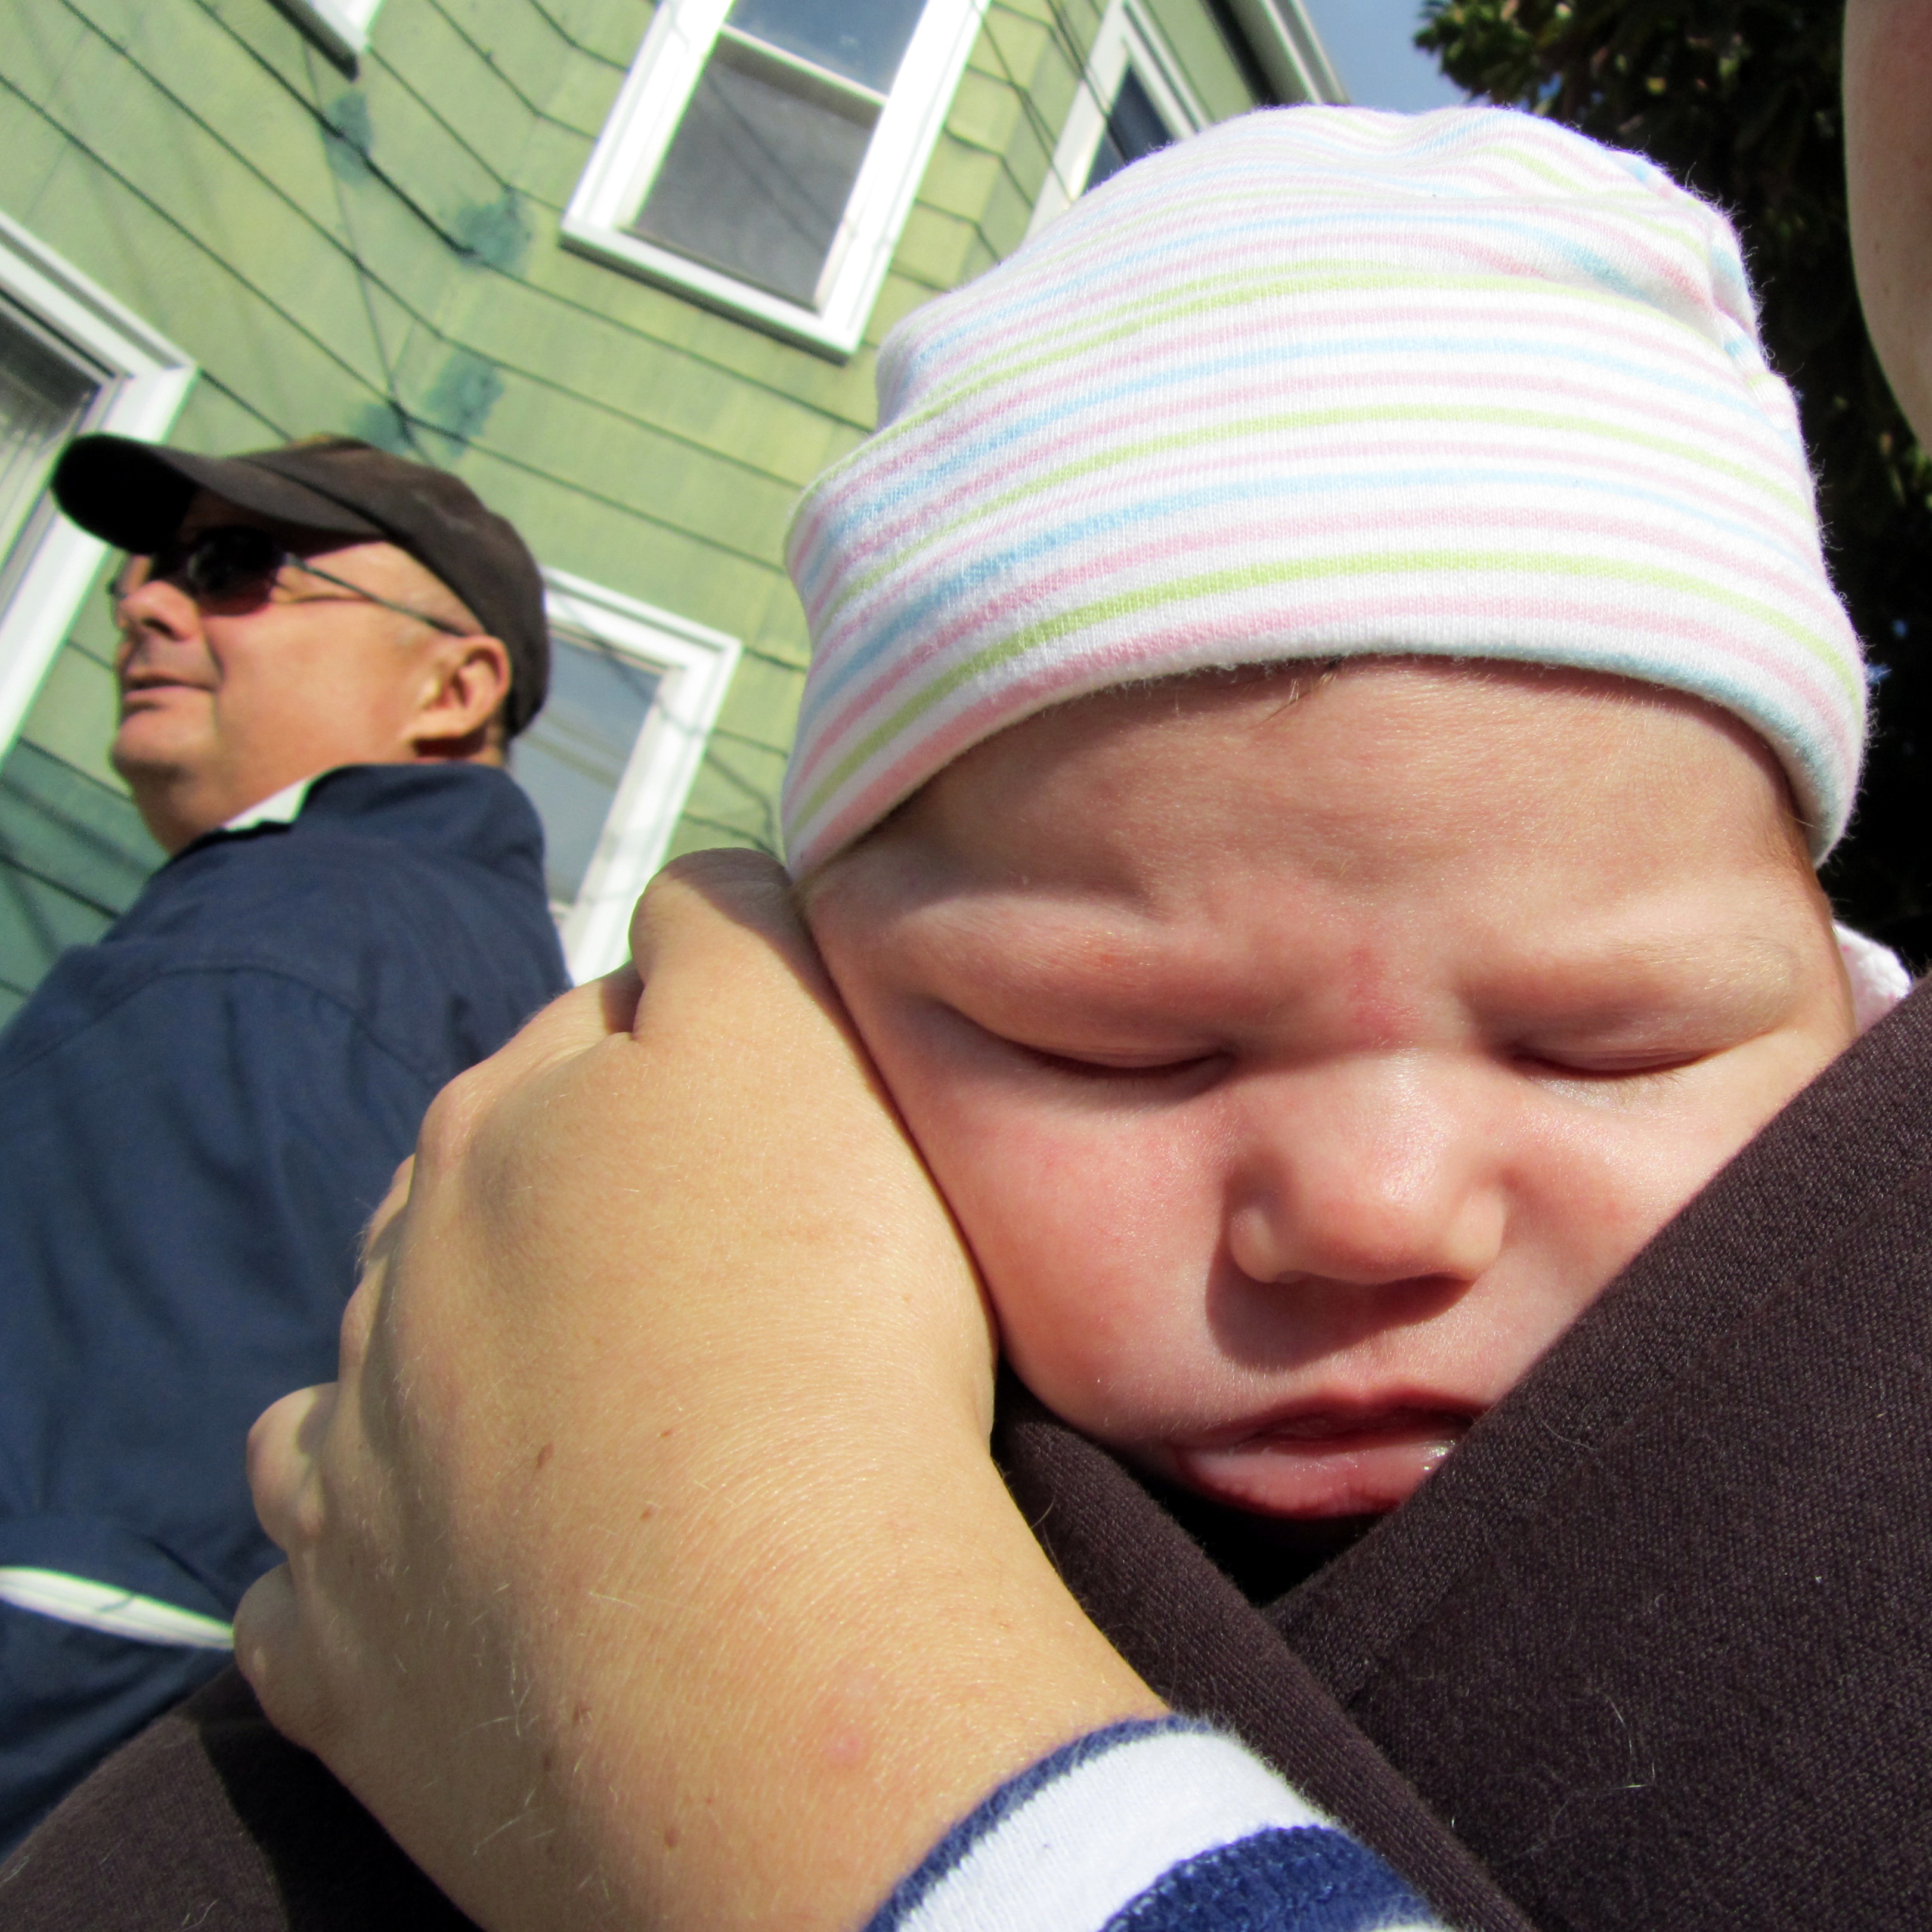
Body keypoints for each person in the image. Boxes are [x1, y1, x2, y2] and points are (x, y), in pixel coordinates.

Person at [7, 102, 1928, 1931]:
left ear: (1846, 1021)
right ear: (810, 1015)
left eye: (1608, 1044)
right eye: (1118, 1043)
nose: (1375, 1207)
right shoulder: (548, 1475)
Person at [0, 435, 571, 1852]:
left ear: (454, 687)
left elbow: (101, 1591)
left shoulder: (286, 953)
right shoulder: (451, 958)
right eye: (142, 574)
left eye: (232, 566)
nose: (144, 604)